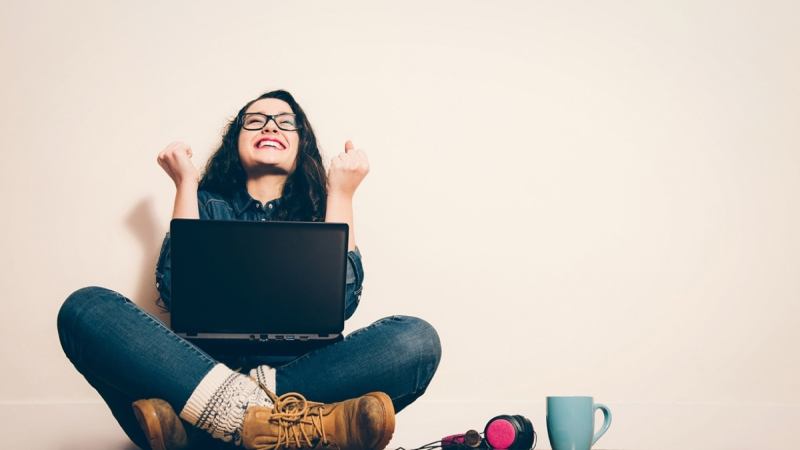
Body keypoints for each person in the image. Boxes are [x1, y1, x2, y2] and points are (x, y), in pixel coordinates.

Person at [57, 90, 442, 450]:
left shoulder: (319, 212)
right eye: (255, 121)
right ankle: (286, 425)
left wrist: (341, 194)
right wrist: (185, 184)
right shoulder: (206, 205)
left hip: (302, 375)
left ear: (301, 144)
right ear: (235, 141)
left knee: (417, 342)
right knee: (86, 309)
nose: (270, 126)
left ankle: (214, 430)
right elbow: (178, 292)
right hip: (198, 371)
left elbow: (341, 305)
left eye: (284, 122)